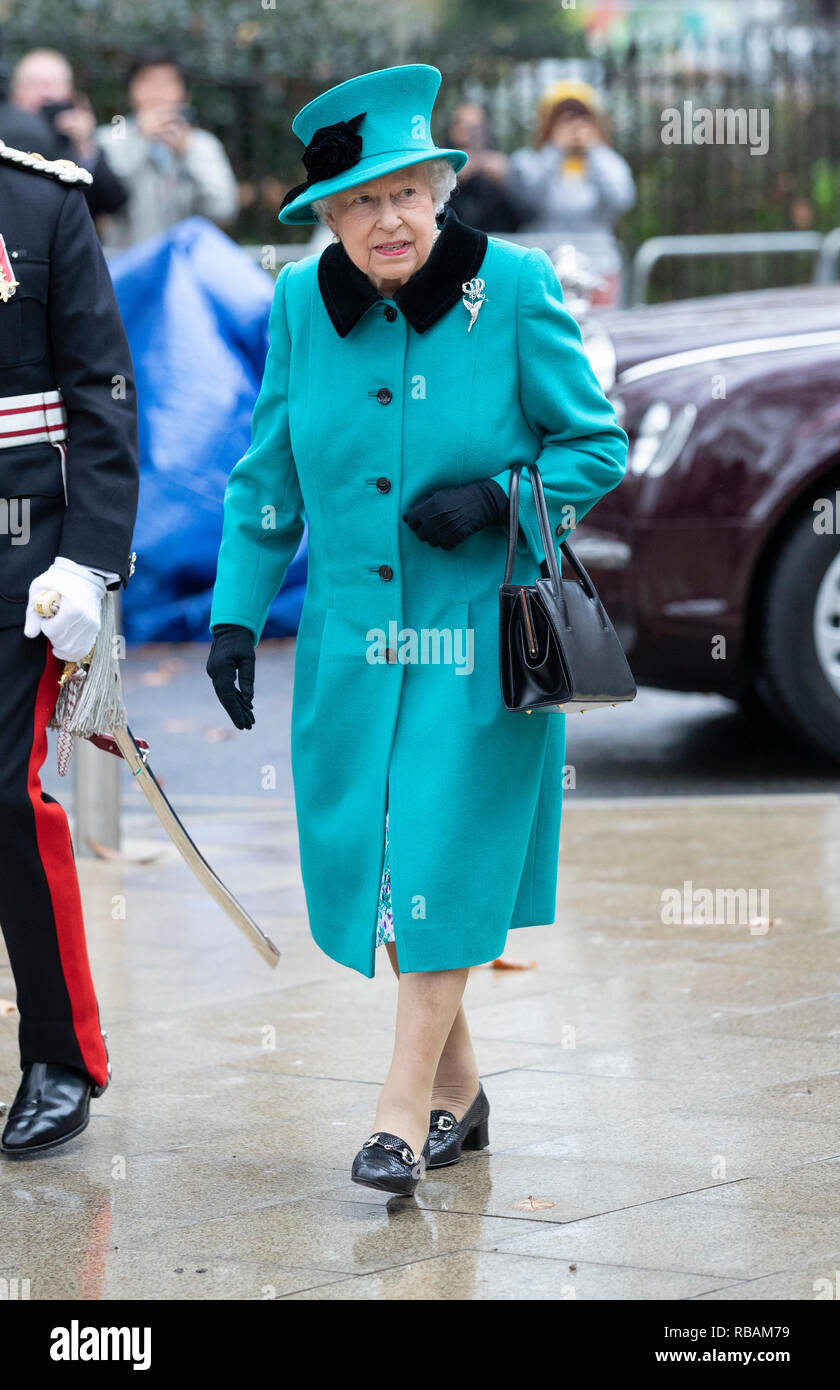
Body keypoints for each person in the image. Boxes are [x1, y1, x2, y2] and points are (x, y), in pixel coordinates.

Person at [206, 64, 627, 1197]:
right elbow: (268, 473)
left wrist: (500, 499)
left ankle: (396, 1119)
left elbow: (597, 446)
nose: (388, 219)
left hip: (477, 639)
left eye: (407, 191)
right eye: (359, 201)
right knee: (386, 871)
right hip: (352, 647)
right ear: (326, 216)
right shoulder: (300, 305)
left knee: (437, 853)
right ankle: (461, 1093)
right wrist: (237, 614)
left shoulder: (518, 288)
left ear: (444, 185)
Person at [0, 139, 139, 1155]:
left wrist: (90, 559)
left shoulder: (39, 204)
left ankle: (59, 1053)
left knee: (10, 799)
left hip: (20, 561)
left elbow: (103, 393)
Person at [505, 80, 636, 306]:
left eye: (582, 117)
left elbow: (622, 200)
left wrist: (594, 150)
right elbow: (527, 201)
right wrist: (555, 150)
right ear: (548, 122)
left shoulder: (608, 162)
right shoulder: (528, 160)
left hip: (599, 271)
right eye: (564, 117)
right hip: (543, 272)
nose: (575, 125)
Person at [96, 50, 239, 251]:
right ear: (132, 90)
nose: (157, 91)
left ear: (185, 94)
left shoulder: (203, 146)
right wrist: (139, 142)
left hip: (185, 269)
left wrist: (187, 153)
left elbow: (223, 209)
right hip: (124, 266)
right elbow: (102, 201)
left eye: (168, 82)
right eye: (147, 81)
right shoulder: (109, 140)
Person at [3, 48, 128, 220]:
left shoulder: (80, 143)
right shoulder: (5, 140)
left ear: (70, 93)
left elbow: (114, 203)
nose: (44, 93)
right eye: (33, 84)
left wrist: (85, 148)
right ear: (14, 93)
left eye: (52, 84)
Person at [445, 102, 522, 233]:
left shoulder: (501, 166)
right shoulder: (439, 166)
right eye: (467, 127)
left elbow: (525, 217)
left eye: (479, 128)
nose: (473, 134)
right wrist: (448, 181)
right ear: (453, 130)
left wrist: (508, 183)